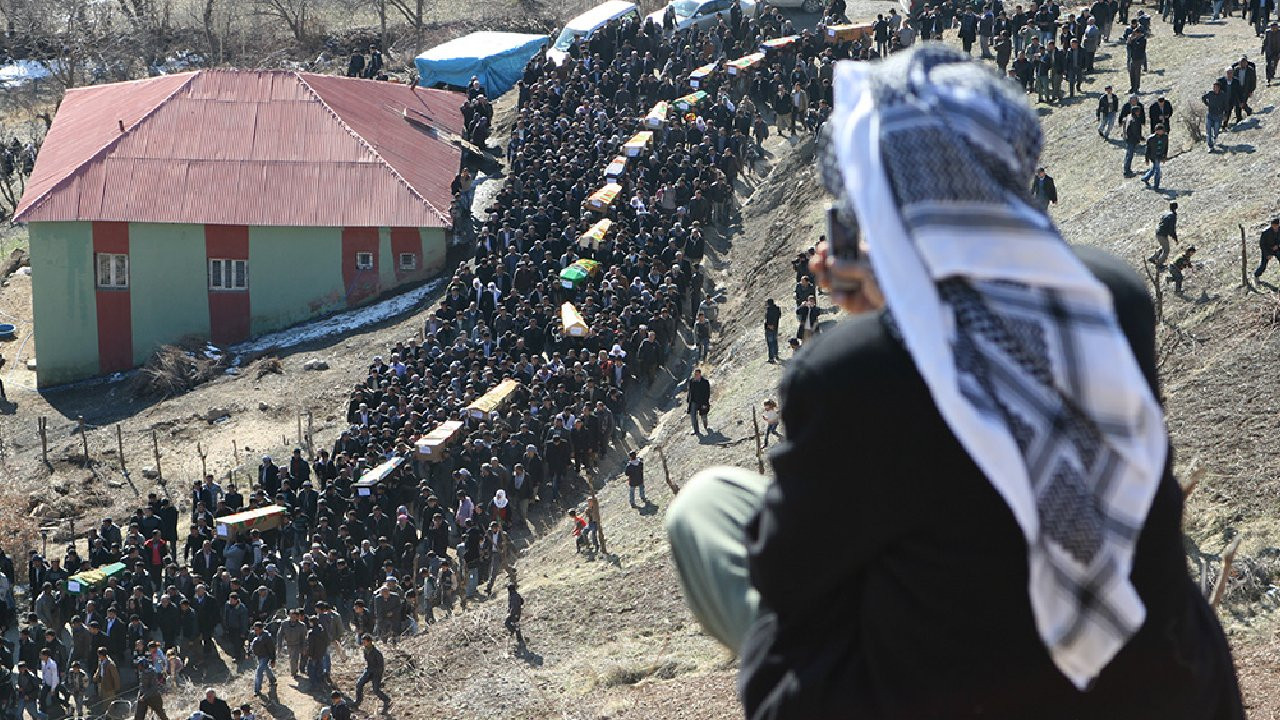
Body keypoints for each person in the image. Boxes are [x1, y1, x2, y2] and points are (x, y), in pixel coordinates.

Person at [667, 45, 1243, 720]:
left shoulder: (845, 373)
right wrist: (896, 299)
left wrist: (870, 319)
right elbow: (988, 344)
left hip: (940, 693)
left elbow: (786, 574)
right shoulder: (1115, 297)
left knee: (706, 507)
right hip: (1165, 685)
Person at [353, 635, 390, 712]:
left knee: (376, 690)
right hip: (369, 670)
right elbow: (368, 662)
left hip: (376, 672)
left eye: (364, 642)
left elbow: (381, 666)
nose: (363, 643)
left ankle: (386, 700)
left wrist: (378, 677)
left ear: (369, 642)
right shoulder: (365, 651)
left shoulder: (377, 653)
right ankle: (358, 701)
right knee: (359, 684)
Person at [249, 622, 277, 695]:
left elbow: (272, 649)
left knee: (259, 672)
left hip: (265, 656)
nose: (255, 631)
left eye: (257, 630)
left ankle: (257, 690)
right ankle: (272, 679)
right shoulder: (255, 635)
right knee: (265, 667)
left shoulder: (267, 637)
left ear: (261, 629)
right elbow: (251, 645)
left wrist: (273, 659)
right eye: (254, 630)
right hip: (259, 656)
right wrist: (249, 653)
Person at [1202, 80, 1230, 152]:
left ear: (1219, 88)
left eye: (1216, 87)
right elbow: (1203, 97)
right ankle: (1210, 146)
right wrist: (1207, 104)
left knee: (1216, 131)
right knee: (1209, 131)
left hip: (1218, 116)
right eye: (1214, 87)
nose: (1215, 89)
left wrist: (1225, 114)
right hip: (1210, 115)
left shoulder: (1223, 95)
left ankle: (1215, 139)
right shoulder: (1210, 94)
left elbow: (1226, 105)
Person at [1141, 124, 1169, 190]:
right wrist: (1147, 159)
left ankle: (1145, 178)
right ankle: (1156, 186)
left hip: (1160, 155)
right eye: (1160, 130)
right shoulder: (1151, 139)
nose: (1162, 132)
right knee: (1157, 171)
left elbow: (1166, 147)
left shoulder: (1165, 137)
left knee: (1154, 169)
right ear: (1156, 131)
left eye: (1162, 130)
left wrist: (1165, 156)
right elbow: (1147, 150)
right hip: (1154, 156)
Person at [1152, 202, 1179, 266]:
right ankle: (1159, 264)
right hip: (1162, 234)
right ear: (1176, 207)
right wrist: (1175, 238)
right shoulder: (1173, 216)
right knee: (1166, 250)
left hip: (1158, 231)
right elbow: (1172, 229)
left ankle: (1153, 257)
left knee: (1163, 246)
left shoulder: (1166, 213)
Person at [686, 368, 711, 435]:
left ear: (700, 374)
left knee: (703, 415)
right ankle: (695, 430)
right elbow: (690, 391)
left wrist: (705, 402)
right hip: (694, 401)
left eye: (697, 374)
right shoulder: (692, 381)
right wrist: (688, 399)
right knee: (693, 415)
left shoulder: (705, 382)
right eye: (695, 374)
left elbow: (707, 393)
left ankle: (705, 422)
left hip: (703, 401)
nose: (696, 375)